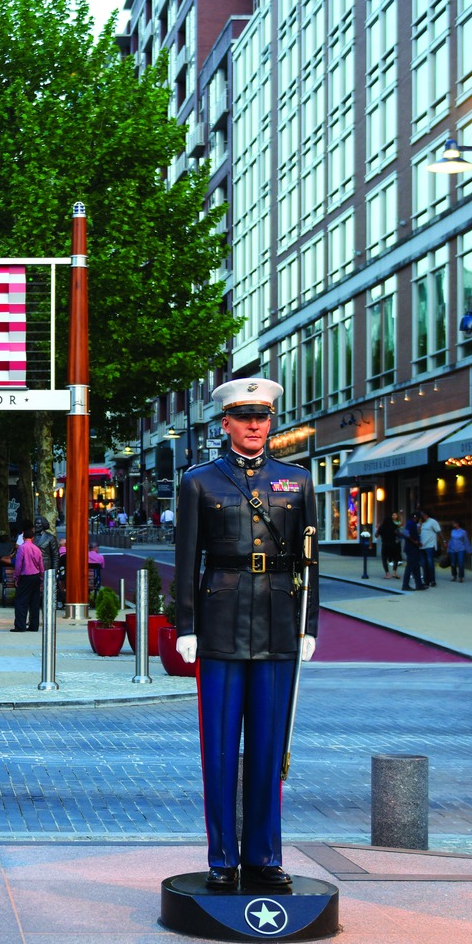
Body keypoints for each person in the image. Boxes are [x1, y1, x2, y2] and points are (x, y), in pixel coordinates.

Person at [171, 377, 319, 892]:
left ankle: (263, 854)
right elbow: (187, 558)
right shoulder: (199, 481)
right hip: (220, 622)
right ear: (225, 423)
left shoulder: (296, 481)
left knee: (267, 746)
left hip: (279, 621)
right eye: (245, 417)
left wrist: (310, 624)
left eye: (263, 417)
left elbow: (309, 559)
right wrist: (184, 624)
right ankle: (221, 857)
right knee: (217, 749)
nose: (255, 425)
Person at [12, 525, 45, 631]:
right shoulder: (37, 549)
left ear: (23, 537)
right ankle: (34, 626)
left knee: (21, 602)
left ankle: (20, 626)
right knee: (34, 602)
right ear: (33, 538)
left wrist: (16, 577)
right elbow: (41, 565)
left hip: (25, 576)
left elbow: (18, 565)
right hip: (35, 577)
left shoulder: (22, 548)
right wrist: (41, 578)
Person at [416, 511, 441, 590]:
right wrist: (419, 525)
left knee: (430, 563)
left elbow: (439, 531)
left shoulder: (432, 522)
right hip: (422, 546)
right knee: (423, 564)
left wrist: (443, 541)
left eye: (422, 515)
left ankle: (432, 580)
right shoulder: (422, 524)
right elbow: (418, 532)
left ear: (426, 515)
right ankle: (426, 581)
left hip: (429, 545)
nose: (421, 517)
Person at [378, 515, 402, 579]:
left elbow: (376, 535)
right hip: (393, 544)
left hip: (385, 545)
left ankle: (387, 574)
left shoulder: (382, 527)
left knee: (384, 559)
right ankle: (394, 572)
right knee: (395, 559)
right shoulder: (393, 526)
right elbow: (400, 528)